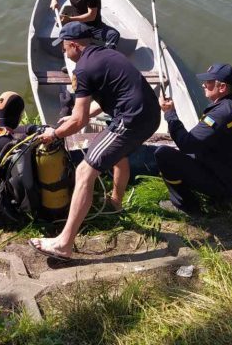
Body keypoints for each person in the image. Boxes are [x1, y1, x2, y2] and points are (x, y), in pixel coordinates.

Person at [29, 22, 160, 260]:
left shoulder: (83, 70)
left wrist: (55, 134)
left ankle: (63, 243)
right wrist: (82, 115)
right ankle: (116, 203)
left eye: (64, 47)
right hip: (149, 115)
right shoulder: (107, 54)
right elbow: (106, 99)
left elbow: (77, 123)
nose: (63, 52)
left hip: (131, 120)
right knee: (118, 154)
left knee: (83, 171)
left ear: (74, 46)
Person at [155, 63, 232, 213]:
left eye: (209, 82)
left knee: (163, 155)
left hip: (223, 184)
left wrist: (170, 114)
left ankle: (185, 205)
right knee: (186, 151)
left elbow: (186, 145)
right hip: (230, 177)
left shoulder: (220, 115)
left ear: (222, 87)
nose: (204, 85)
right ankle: (210, 196)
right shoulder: (231, 106)